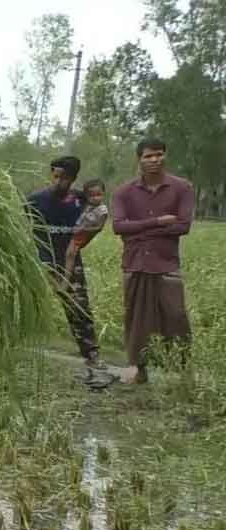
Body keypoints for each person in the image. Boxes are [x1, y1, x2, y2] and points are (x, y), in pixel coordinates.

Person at [111, 137, 194, 385]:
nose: (154, 159)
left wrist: (137, 232)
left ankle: (182, 371)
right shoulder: (123, 192)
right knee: (136, 318)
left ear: (165, 156)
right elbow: (118, 227)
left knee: (176, 316)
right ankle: (139, 370)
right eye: (148, 156)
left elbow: (183, 226)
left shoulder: (182, 188)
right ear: (139, 159)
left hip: (166, 263)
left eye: (159, 154)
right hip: (135, 262)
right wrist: (157, 222)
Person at [27, 157, 111, 384]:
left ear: (73, 179)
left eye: (63, 178)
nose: (58, 181)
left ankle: (92, 358)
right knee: (25, 305)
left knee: (80, 310)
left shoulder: (81, 199)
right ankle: (14, 348)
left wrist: (82, 241)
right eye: (55, 176)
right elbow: (19, 226)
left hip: (69, 265)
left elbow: (96, 221)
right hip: (40, 263)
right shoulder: (36, 200)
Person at [65, 179, 110, 281]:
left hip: (83, 233)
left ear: (103, 193)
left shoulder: (102, 210)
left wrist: (84, 229)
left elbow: (99, 228)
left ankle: (65, 280)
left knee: (70, 254)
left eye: (98, 195)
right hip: (76, 228)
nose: (95, 198)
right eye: (92, 196)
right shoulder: (86, 203)